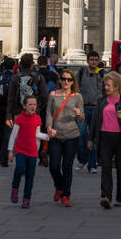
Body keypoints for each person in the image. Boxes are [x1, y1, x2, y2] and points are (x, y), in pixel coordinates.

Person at [88, 71, 121, 207]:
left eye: (108, 85)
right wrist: (90, 138)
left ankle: (120, 198)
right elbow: (95, 120)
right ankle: (106, 196)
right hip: (105, 137)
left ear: (117, 86)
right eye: (105, 85)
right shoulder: (101, 100)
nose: (106, 88)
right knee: (105, 167)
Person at [45, 68, 84, 206]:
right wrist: (49, 127)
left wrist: (79, 114)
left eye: (69, 79)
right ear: (60, 80)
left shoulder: (77, 96)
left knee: (67, 166)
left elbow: (81, 119)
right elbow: (49, 113)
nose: (66, 82)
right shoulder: (53, 94)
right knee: (54, 166)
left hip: (71, 135)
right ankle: (59, 186)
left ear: (73, 81)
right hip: (56, 134)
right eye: (63, 79)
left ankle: (66, 195)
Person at [8, 93, 49, 208]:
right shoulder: (19, 119)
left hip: (33, 152)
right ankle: (15, 188)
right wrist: (10, 151)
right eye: (30, 104)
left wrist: (48, 137)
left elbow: (37, 134)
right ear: (24, 106)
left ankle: (26, 199)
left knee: (30, 177)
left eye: (34, 104)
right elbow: (13, 135)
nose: (33, 106)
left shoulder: (37, 118)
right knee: (20, 168)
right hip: (21, 150)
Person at [75, 50, 106, 174]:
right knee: (81, 135)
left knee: (92, 138)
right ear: (87, 61)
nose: (94, 62)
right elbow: (76, 89)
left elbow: (106, 90)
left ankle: (92, 165)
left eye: (95, 60)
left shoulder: (102, 74)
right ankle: (82, 159)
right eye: (91, 59)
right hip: (82, 108)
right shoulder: (81, 72)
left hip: (96, 108)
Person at [6, 53, 48, 125]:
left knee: (20, 135)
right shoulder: (39, 77)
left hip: (19, 112)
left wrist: (9, 116)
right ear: (32, 64)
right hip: (34, 112)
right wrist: (38, 107)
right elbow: (44, 96)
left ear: (21, 64)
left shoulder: (15, 77)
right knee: (33, 135)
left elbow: (11, 98)